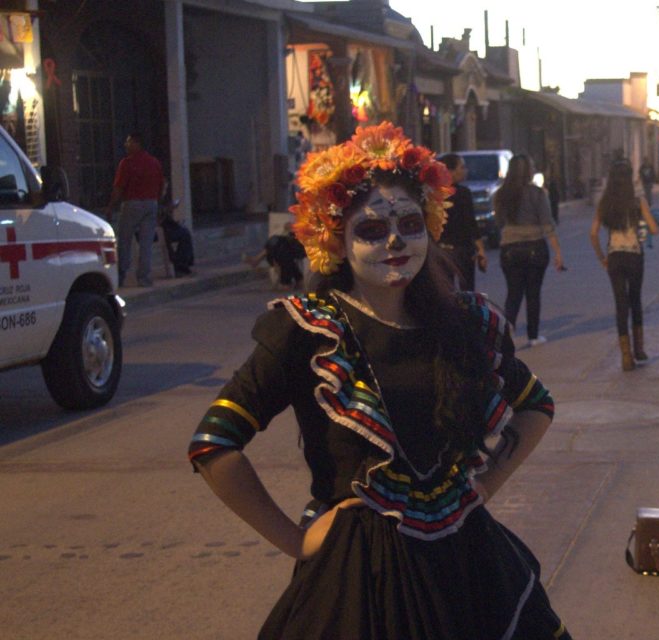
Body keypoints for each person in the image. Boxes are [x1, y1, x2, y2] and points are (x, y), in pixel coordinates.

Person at [187, 122, 571, 639]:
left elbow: (536, 406)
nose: (394, 241)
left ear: (429, 228)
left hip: (466, 567)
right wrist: (295, 540)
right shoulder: (308, 332)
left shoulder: (464, 323)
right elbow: (215, 444)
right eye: (370, 230)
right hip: (358, 580)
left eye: (410, 224)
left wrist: (481, 487)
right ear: (336, 241)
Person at [591, 161, 659, 371]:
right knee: (635, 300)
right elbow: (654, 229)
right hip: (634, 256)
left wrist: (602, 257)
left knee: (620, 304)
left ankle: (626, 356)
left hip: (614, 257)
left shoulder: (605, 204)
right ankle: (639, 349)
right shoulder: (638, 202)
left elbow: (592, 233)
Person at [495, 154, 565, 347]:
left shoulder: (501, 194)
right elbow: (547, 224)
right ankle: (533, 336)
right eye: (532, 166)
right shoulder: (537, 193)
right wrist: (558, 252)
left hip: (509, 248)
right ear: (527, 171)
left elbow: (499, 222)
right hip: (535, 247)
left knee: (513, 293)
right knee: (533, 293)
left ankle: (506, 336)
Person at [108, 133, 165, 287]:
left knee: (124, 240)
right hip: (151, 204)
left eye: (129, 142)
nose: (126, 145)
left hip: (132, 203)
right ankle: (144, 277)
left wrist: (110, 207)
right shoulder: (154, 163)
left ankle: (120, 275)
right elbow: (161, 186)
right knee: (146, 244)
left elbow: (119, 188)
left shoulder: (127, 163)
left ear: (136, 143)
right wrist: (157, 203)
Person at [438, 153, 487, 291]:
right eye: (462, 167)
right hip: (462, 249)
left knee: (446, 290)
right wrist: (481, 249)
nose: (465, 170)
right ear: (450, 171)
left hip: (441, 249)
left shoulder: (433, 193)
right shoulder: (462, 193)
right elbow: (471, 223)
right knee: (467, 291)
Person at [158, 181, 195, 277]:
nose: (164, 192)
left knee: (185, 233)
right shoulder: (154, 201)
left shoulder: (161, 201)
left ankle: (183, 263)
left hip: (166, 228)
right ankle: (179, 264)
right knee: (182, 235)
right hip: (160, 230)